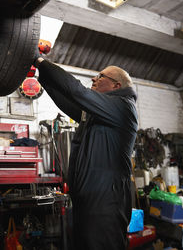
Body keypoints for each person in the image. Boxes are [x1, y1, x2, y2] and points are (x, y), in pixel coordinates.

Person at [34, 55, 138, 250]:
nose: (93, 79)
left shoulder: (123, 106)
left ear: (116, 86)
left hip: (106, 203)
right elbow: (69, 100)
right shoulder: (96, 114)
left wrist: (40, 61)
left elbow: (76, 91)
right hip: (88, 201)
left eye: (101, 76)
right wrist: (43, 77)